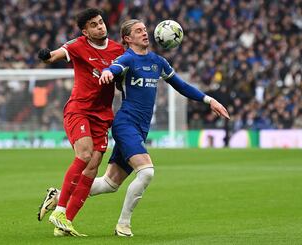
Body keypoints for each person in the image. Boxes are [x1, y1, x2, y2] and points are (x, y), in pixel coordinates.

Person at [38, 19, 229, 237]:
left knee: (109, 183)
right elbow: (115, 66)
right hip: (125, 123)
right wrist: (109, 72)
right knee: (146, 172)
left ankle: (58, 196)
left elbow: (181, 86)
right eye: (138, 31)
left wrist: (209, 100)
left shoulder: (158, 62)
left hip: (141, 128)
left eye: (145, 30)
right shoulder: (127, 58)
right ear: (128, 38)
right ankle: (123, 224)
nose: (145, 33)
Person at [37, 8, 124, 237]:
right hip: (79, 110)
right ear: (85, 31)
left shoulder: (117, 49)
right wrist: (46, 56)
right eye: (94, 25)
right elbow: (55, 55)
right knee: (84, 155)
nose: (100, 27)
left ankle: (64, 223)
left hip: (103, 116)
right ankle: (60, 209)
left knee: (93, 166)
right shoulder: (77, 45)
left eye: (101, 22)